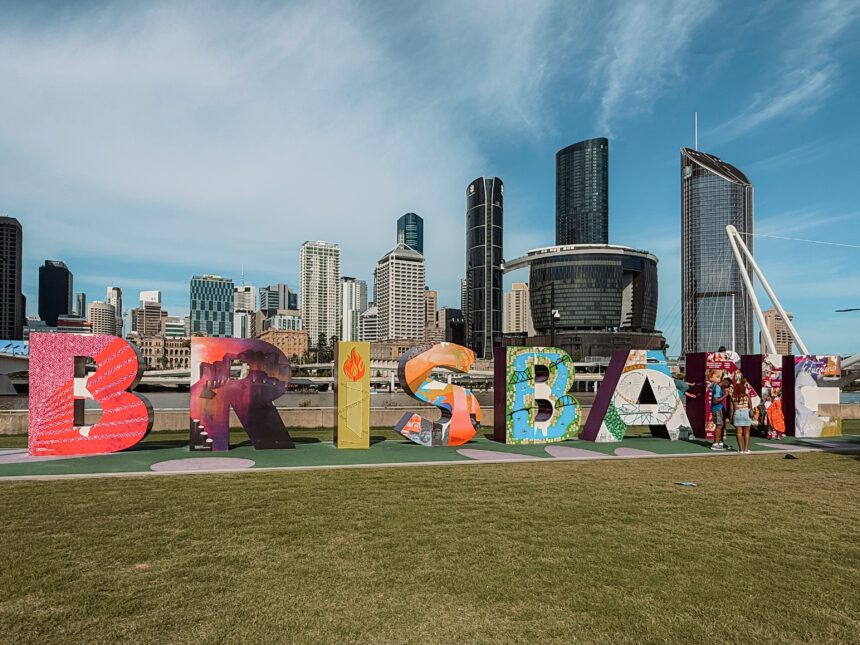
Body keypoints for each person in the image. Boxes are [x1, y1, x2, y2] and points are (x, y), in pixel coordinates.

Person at [731, 378, 756, 454]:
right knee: (747, 432)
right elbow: (750, 406)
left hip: (737, 413)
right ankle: (746, 449)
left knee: (738, 433)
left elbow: (731, 409)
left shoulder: (733, 397)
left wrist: (731, 417)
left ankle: (740, 449)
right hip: (746, 413)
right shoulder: (746, 396)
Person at [708, 371, 728, 450]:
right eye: (717, 377)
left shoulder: (717, 386)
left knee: (720, 425)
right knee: (719, 426)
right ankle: (715, 443)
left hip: (718, 408)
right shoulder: (717, 387)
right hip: (717, 409)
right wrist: (725, 396)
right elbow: (715, 400)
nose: (719, 379)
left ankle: (719, 442)